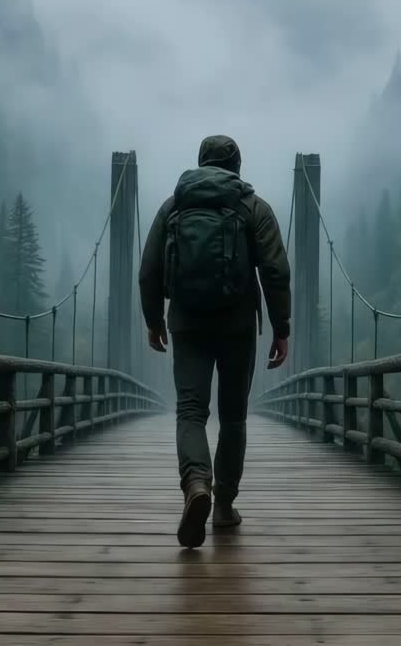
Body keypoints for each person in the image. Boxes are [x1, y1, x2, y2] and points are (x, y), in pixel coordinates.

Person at [138, 134, 291, 549]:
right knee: (234, 416)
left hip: (187, 323)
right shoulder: (252, 207)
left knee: (190, 410)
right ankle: (223, 506)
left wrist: (154, 320)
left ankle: (195, 484)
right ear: (237, 167)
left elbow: (149, 270)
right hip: (238, 325)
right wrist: (282, 327)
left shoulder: (174, 206)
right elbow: (275, 271)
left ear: (201, 162)